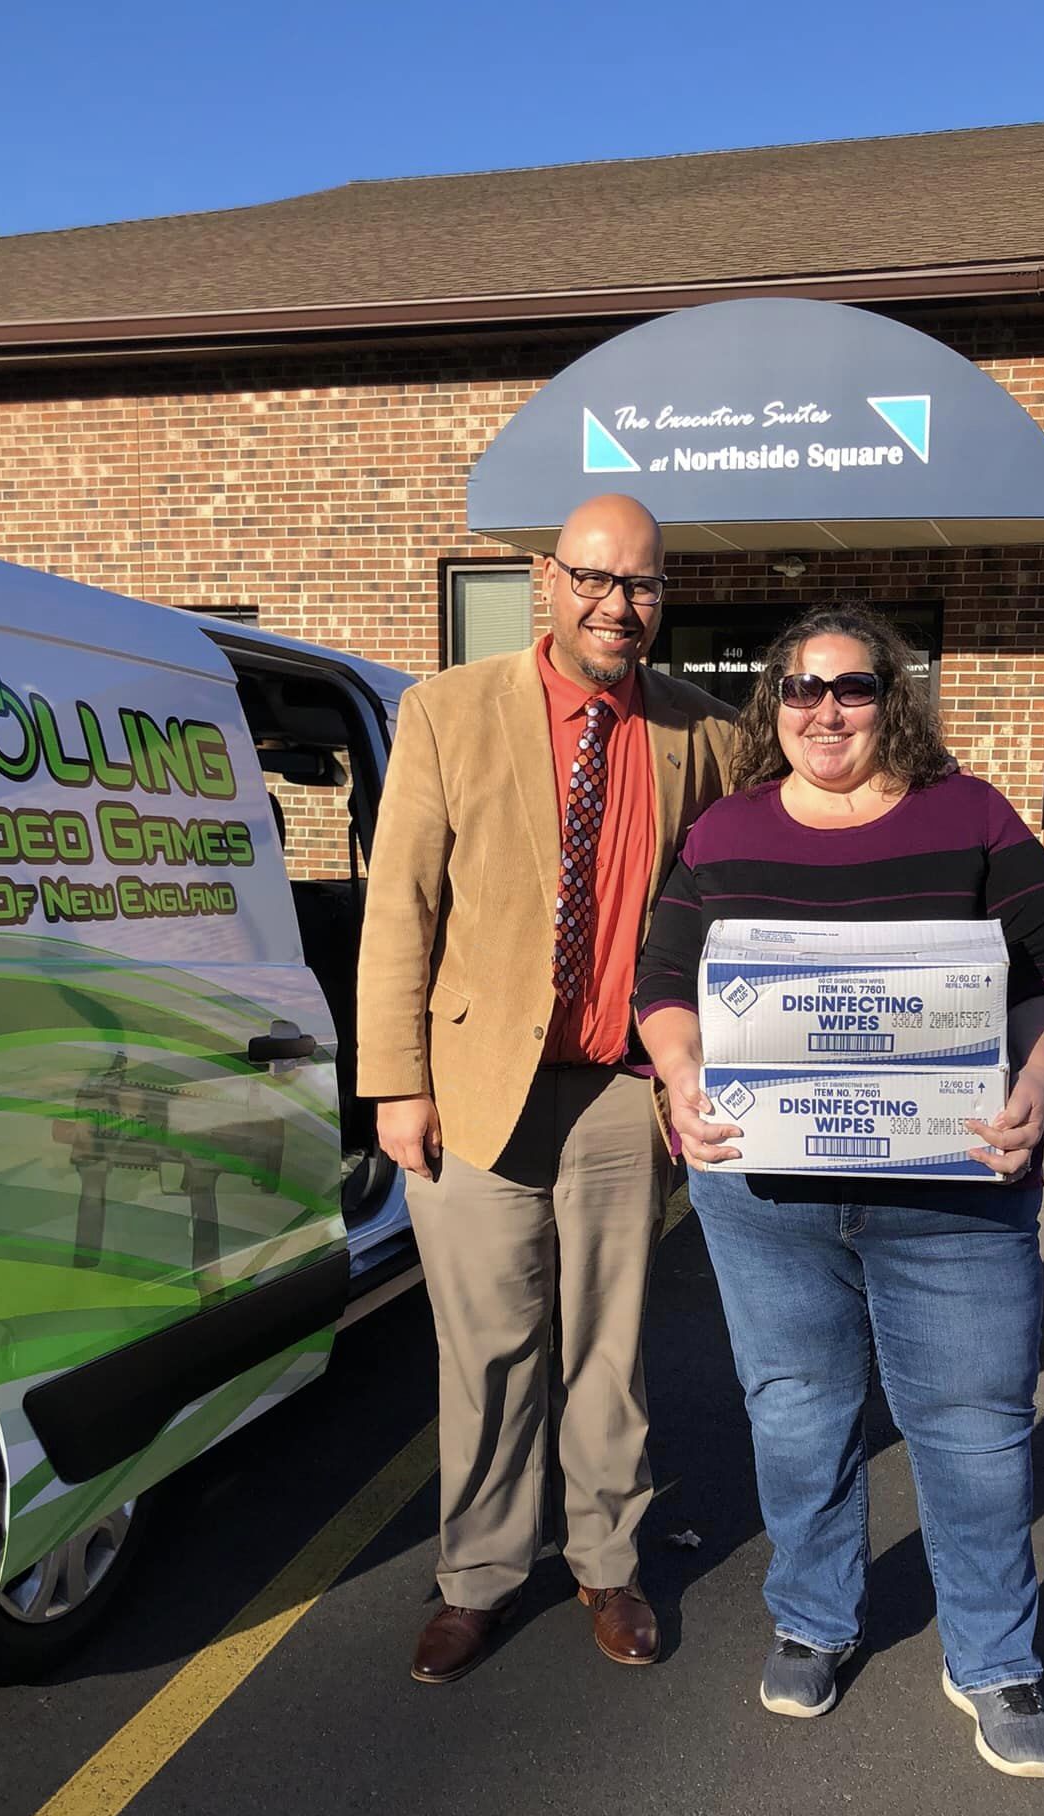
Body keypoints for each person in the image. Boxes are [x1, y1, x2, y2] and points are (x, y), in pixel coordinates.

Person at [634, 601, 1044, 1777]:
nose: (824, 709)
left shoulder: (971, 813)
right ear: (771, 705)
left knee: (977, 1429)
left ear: (894, 696)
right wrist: (683, 1077)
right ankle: (815, 1616)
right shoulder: (724, 831)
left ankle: (993, 1656)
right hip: (769, 1195)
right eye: (799, 687)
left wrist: (1037, 1079)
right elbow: (667, 977)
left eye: (851, 686)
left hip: (955, 1191)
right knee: (794, 1411)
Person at [357, 493, 737, 1685]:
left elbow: (770, 875)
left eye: (642, 584)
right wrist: (394, 1083)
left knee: (611, 1347)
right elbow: (399, 908)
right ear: (546, 577)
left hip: (626, 1092)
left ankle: (608, 1562)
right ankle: (477, 1575)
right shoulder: (447, 712)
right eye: (594, 577)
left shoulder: (707, 736)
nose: (618, 605)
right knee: (488, 1351)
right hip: (473, 1087)